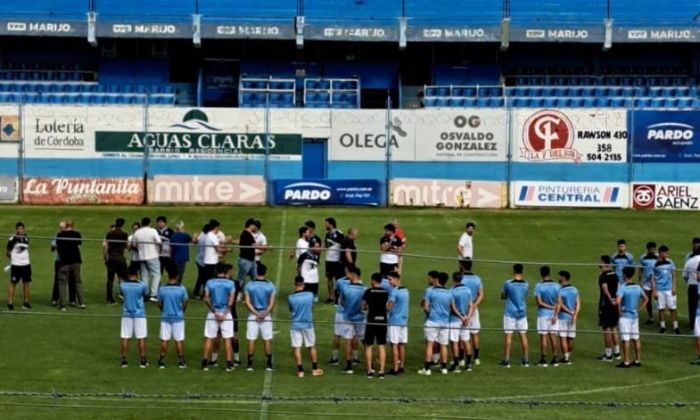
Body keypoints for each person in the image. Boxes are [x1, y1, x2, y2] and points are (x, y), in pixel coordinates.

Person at [201, 263, 236, 372]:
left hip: (213, 313)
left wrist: (214, 311)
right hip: (226, 313)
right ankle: (229, 363)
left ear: (216, 271)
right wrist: (225, 313)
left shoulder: (210, 282)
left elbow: (206, 298)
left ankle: (205, 361)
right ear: (225, 271)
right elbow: (231, 301)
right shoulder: (230, 283)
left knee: (209, 337)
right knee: (227, 338)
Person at [288, 275, 324, 378]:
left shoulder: (291, 297)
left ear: (295, 284)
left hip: (296, 324)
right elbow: (311, 307)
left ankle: (300, 371)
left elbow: (291, 311)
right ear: (303, 284)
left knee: (297, 347)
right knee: (311, 346)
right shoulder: (310, 295)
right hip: (308, 323)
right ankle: (314, 369)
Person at [418, 272, 452, 376]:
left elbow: (425, 307)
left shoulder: (431, 292)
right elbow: (450, 307)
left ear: (437, 280)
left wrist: (429, 314)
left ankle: (427, 369)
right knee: (443, 345)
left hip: (432, 320)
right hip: (445, 322)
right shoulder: (449, 293)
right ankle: (444, 368)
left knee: (430, 344)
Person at [244, 263, 276, 371]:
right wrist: (265, 313)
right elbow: (272, 303)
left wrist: (256, 313)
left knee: (251, 339)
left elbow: (247, 302)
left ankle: (249, 364)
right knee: (267, 339)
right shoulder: (270, 285)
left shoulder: (249, 285)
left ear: (257, 271)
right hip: (265, 315)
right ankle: (268, 364)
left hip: (253, 315)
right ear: (265, 272)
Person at [616, 266, 648, 368]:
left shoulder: (622, 287)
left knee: (625, 339)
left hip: (625, 317)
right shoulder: (638, 287)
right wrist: (641, 307)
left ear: (624, 274)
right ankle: (638, 360)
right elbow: (646, 299)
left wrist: (619, 312)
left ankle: (626, 361)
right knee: (636, 338)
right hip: (635, 316)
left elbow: (617, 302)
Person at [157, 271, 188, 369]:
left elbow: (159, 303)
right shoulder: (181, 289)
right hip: (178, 317)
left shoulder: (162, 289)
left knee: (164, 339)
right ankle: (181, 361)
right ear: (177, 276)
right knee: (179, 340)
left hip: (165, 317)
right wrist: (182, 311)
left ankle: (162, 360)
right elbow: (185, 302)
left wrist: (163, 310)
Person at [119, 265, 149, 368]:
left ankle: (124, 360)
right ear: (137, 274)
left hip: (126, 313)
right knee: (141, 337)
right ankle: (143, 359)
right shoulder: (142, 285)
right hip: (139, 314)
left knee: (125, 337)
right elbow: (146, 295)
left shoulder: (123, 285)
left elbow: (122, 294)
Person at [501, 264, 529, 368]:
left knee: (508, 335)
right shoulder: (526, 284)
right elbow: (524, 296)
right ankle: (526, 360)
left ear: (513, 271)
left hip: (510, 313)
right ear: (522, 271)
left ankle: (507, 360)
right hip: (522, 313)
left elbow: (503, 295)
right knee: (523, 335)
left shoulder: (508, 283)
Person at [339, 266, 366, 374]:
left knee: (348, 341)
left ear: (354, 275)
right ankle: (369, 365)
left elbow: (342, 303)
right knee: (365, 342)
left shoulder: (346, 289)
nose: (347, 276)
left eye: (349, 274)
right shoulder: (364, 289)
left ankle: (349, 366)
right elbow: (365, 306)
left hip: (348, 317)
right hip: (360, 317)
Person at [362, 273, 390, 379]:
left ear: (373, 281)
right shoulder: (385, 292)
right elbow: (387, 306)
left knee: (369, 345)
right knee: (381, 346)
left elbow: (363, 306)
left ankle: (369, 371)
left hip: (371, 320)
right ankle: (382, 371)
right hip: (382, 320)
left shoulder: (368, 291)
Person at [533, 266, 561, 367]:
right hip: (554, 315)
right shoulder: (557, 286)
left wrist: (549, 306)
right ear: (549, 273)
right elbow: (559, 302)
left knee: (543, 336)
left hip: (542, 315)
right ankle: (555, 359)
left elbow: (539, 303)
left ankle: (543, 359)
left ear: (541, 274)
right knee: (553, 336)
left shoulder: (538, 286)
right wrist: (555, 314)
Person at [56, 219, 85, 311]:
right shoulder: (77, 234)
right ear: (73, 225)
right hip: (76, 261)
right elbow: (79, 244)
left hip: (64, 261)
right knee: (77, 281)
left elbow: (58, 246)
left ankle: (63, 305)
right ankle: (81, 302)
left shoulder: (60, 235)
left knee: (62, 283)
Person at [448, 271, 474, 373]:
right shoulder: (467, 289)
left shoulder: (452, 290)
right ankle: (468, 365)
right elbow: (471, 305)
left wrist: (460, 317)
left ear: (453, 279)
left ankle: (456, 365)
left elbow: (452, 306)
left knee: (454, 341)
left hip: (455, 319)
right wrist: (467, 317)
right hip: (465, 318)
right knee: (466, 340)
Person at [131, 217, 162, 301]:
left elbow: (133, 244)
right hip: (152, 256)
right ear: (149, 223)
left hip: (142, 256)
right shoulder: (153, 231)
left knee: (144, 276)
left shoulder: (137, 232)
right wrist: (159, 251)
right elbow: (159, 242)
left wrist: (141, 249)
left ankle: (145, 293)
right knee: (156, 274)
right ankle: (154, 294)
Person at [460, 259, 484, 366]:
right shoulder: (477, 279)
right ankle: (476, 358)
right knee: (475, 333)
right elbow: (481, 294)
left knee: (462, 334)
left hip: (463, 310)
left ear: (462, 266)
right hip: (474, 310)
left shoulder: (461, 279)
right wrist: (474, 305)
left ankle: (461, 358)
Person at [651, 245, 679, 334]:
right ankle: (663, 327)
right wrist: (654, 291)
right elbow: (652, 278)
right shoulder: (654, 264)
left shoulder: (670, 262)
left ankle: (676, 327)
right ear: (661, 253)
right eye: (666, 253)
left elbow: (674, 275)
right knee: (661, 309)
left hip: (669, 290)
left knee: (673, 309)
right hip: (659, 290)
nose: (667, 255)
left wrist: (674, 287)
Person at [598, 255, 621, 361]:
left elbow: (605, 288)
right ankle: (617, 352)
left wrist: (610, 298)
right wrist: (616, 299)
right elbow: (619, 288)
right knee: (614, 328)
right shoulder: (615, 275)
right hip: (615, 304)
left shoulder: (603, 276)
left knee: (606, 329)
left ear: (604, 262)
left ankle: (608, 354)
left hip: (606, 305)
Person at [554, 270, 580, 365]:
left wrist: (569, 311)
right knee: (570, 337)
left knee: (563, 337)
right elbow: (578, 303)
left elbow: (560, 305)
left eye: (559, 276)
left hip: (563, 317)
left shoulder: (560, 290)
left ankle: (565, 358)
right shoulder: (574, 289)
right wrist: (575, 314)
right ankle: (568, 356)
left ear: (563, 278)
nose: (558, 277)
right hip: (572, 317)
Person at [386, 271, 408, 375]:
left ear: (396, 279)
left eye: (390, 279)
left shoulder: (394, 292)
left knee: (394, 344)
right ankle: (402, 365)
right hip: (404, 321)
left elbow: (389, 307)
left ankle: (395, 368)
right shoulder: (406, 291)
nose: (389, 282)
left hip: (394, 321)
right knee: (402, 344)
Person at [6, 222, 31, 310]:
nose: (20, 230)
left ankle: (26, 302)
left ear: (24, 229)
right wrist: (13, 260)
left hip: (26, 264)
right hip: (16, 265)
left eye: (21, 229)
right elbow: (7, 252)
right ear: (16, 230)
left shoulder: (26, 237)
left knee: (26, 283)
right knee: (13, 284)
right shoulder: (12, 239)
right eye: (18, 229)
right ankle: (10, 303)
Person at [104, 218, 128, 304]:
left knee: (110, 279)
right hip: (120, 258)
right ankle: (125, 295)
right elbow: (127, 246)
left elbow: (106, 245)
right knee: (123, 277)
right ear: (123, 224)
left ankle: (109, 298)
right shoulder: (124, 234)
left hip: (111, 257)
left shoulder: (110, 233)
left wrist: (105, 256)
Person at [420, 270, 441, 366]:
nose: (428, 280)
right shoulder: (444, 290)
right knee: (439, 340)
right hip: (442, 318)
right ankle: (437, 358)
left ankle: (431, 360)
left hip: (431, 318)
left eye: (429, 278)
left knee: (430, 341)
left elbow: (423, 304)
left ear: (434, 279)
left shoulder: (428, 290)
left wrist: (428, 313)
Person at [51, 221, 73, 306]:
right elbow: (52, 247)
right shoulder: (57, 235)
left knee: (71, 280)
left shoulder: (70, 235)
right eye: (60, 227)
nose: (61, 229)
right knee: (57, 280)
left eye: (63, 227)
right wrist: (56, 246)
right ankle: (55, 298)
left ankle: (72, 299)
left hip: (69, 260)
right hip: (59, 260)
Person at [324, 217, 345, 304]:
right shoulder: (327, 234)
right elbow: (326, 246)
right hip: (328, 259)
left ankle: (338, 297)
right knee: (329, 278)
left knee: (338, 279)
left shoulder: (339, 233)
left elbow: (342, 246)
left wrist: (341, 258)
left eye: (326, 223)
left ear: (331, 224)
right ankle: (331, 296)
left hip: (336, 260)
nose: (325, 225)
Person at [639, 241, 658, 324]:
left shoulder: (658, 257)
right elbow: (640, 269)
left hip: (657, 282)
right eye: (651, 249)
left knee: (658, 300)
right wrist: (640, 281)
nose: (653, 251)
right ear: (648, 249)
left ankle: (661, 319)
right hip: (646, 282)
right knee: (647, 299)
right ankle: (650, 317)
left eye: (654, 249)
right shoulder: (643, 257)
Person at [683, 239, 700, 330]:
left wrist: (689, 281)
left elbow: (684, 276)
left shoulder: (689, 261)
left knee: (692, 306)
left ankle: (693, 327)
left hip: (693, 286)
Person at [297, 238, 321, 302]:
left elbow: (316, 265)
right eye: (316, 247)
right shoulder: (304, 255)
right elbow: (299, 266)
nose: (319, 248)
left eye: (319, 246)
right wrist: (300, 276)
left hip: (315, 279)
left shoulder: (317, 255)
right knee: (305, 297)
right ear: (311, 247)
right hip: (306, 279)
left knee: (314, 298)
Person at [237, 218, 258, 290]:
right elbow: (254, 245)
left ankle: (253, 292)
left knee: (255, 278)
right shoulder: (246, 234)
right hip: (245, 260)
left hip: (251, 260)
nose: (255, 227)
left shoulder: (247, 234)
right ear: (251, 225)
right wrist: (266, 247)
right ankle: (237, 294)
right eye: (254, 225)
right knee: (241, 278)